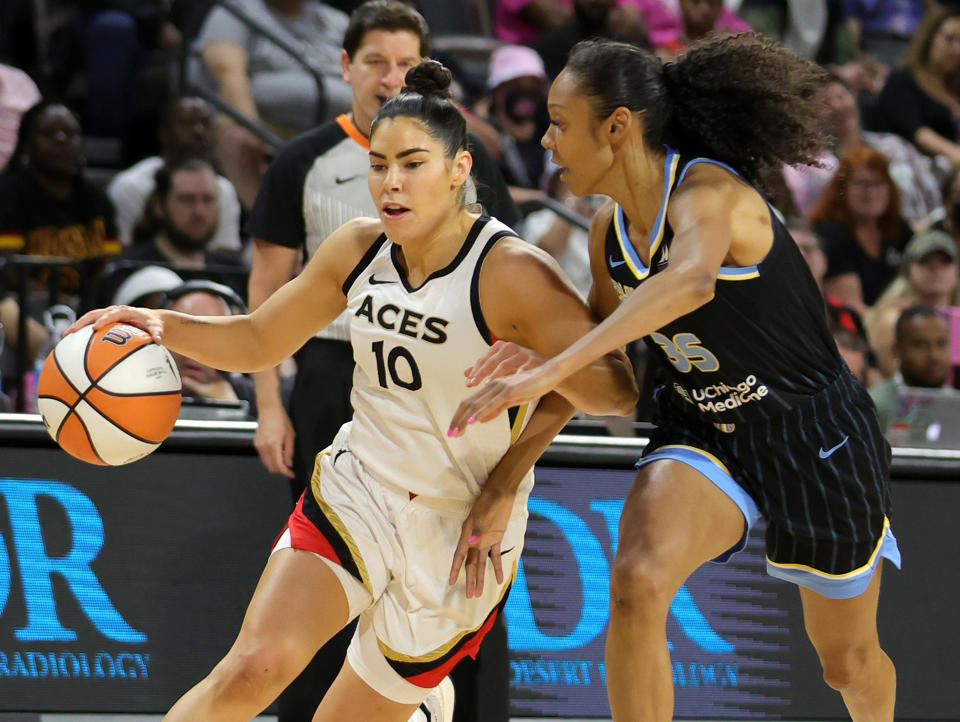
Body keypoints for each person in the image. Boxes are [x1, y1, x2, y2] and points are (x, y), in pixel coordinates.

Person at [65, 59, 638, 722]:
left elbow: (618, 391)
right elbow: (258, 340)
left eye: (413, 164)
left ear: (459, 170)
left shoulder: (511, 271)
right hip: (360, 486)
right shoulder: (357, 247)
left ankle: (425, 708)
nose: (390, 183)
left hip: (459, 526)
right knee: (252, 669)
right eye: (378, 164)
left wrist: (546, 366)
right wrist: (161, 324)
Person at [449, 36, 901, 721]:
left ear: (618, 126)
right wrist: (506, 477)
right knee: (635, 581)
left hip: (812, 435)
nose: (546, 139)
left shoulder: (711, 192)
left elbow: (688, 282)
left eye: (560, 122)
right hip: (704, 428)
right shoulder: (607, 233)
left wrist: (551, 365)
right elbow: (610, 375)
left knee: (847, 663)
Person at [244, 4, 521, 718]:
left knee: (461, 598)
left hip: (455, 390)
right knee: (296, 627)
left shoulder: (473, 167)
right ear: (345, 66)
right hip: (341, 375)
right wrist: (269, 404)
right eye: (375, 62)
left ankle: (428, 700)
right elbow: (265, 298)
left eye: (404, 62)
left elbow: (523, 311)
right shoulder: (303, 160)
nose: (390, 76)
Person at [192, 0, 352, 208]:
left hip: (338, 126)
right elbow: (227, 71)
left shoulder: (336, 21)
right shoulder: (237, 11)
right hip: (269, 124)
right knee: (235, 134)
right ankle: (266, 226)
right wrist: (251, 125)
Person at [784, 73, 942, 224]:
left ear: (853, 96)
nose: (838, 106)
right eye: (826, 103)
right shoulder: (815, 168)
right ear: (812, 117)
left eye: (841, 97)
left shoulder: (894, 146)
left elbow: (931, 191)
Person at [0, 100, 120, 300]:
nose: (61, 139)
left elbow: (110, 264)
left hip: (89, 306)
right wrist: (55, 302)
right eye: (48, 133)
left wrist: (90, 302)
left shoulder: (96, 197)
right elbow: (8, 267)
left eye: (70, 133)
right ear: (26, 144)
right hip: (25, 306)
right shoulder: (8, 193)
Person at [97, 158, 248, 306]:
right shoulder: (125, 269)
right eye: (186, 199)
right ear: (159, 205)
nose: (199, 211)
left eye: (208, 199)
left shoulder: (236, 272)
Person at [108, 96, 243, 253]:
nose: (198, 131)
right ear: (164, 133)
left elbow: (226, 257)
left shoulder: (223, 189)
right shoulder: (130, 186)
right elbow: (121, 255)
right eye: (187, 123)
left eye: (205, 123)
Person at [808, 145, 912, 313]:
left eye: (878, 183)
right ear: (842, 189)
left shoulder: (899, 229)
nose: (870, 193)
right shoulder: (831, 234)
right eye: (861, 183)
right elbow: (851, 309)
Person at [866, 229, 960, 378]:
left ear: (956, 271)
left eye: (944, 261)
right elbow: (894, 380)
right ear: (908, 271)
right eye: (925, 261)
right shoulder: (893, 320)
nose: (935, 269)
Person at [874, 4, 960, 167]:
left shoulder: (956, 87)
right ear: (928, 38)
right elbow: (920, 134)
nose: (957, 49)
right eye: (949, 39)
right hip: (914, 166)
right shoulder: (901, 82)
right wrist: (955, 153)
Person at [869, 304, 953, 429]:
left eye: (941, 344)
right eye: (920, 345)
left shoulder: (954, 404)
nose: (934, 356)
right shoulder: (874, 405)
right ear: (897, 350)